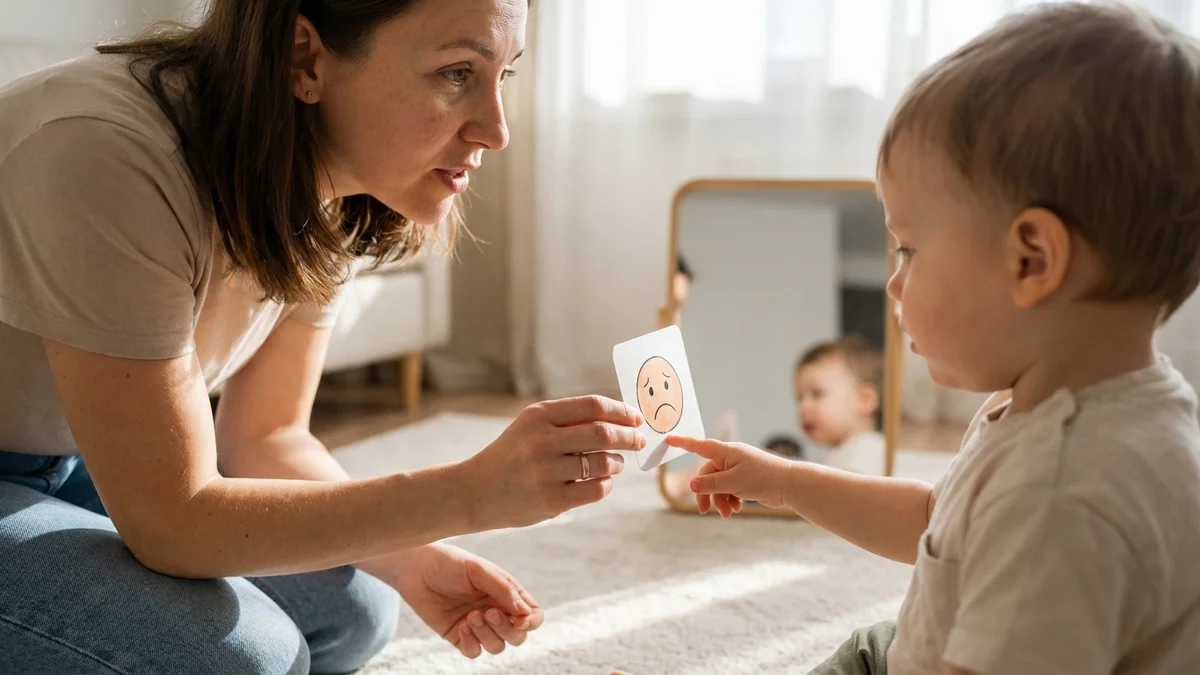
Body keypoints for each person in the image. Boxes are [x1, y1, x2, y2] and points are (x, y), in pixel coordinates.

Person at [0, 1, 648, 672]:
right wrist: (467, 493)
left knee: (357, 607)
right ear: (304, 57)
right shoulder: (105, 151)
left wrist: (413, 556)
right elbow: (173, 522)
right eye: (457, 73)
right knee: (248, 658)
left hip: (72, 459)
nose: (496, 129)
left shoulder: (325, 180)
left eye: (502, 75)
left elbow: (266, 436)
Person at [666, 3, 1200, 674]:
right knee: (868, 646)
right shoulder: (1074, 400)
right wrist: (787, 480)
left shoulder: (1059, 499)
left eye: (910, 249)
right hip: (911, 649)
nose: (893, 284)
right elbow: (935, 518)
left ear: (1030, 259)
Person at [793, 334, 884, 475]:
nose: (803, 407)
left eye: (817, 394)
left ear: (864, 400)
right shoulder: (835, 456)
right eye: (799, 398)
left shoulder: (870, 449)